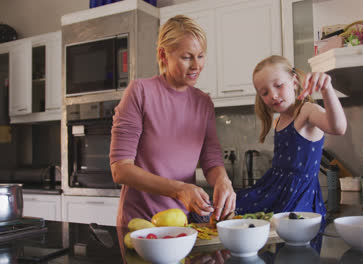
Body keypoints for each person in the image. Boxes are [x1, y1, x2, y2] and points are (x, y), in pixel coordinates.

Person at [110, 15, 236, 228]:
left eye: (201, 56)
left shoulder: (203, 103)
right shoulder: (140, 92)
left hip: (183, 225)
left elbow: (211, 160)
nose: (196, 65)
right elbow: (120, 169)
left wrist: (223, 181)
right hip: (141, 224)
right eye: (187, 57)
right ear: (163, 55)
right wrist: (179, 189)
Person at [236, 55, 347, 251]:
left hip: (300, 196)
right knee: (236, 212)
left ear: (294, 82)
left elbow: (337, 127)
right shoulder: (278, 121)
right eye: (264, 92)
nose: (273, 95)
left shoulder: (307, 111)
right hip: (274, 189)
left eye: (278, 85)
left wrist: (327, 89)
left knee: (294, 249)